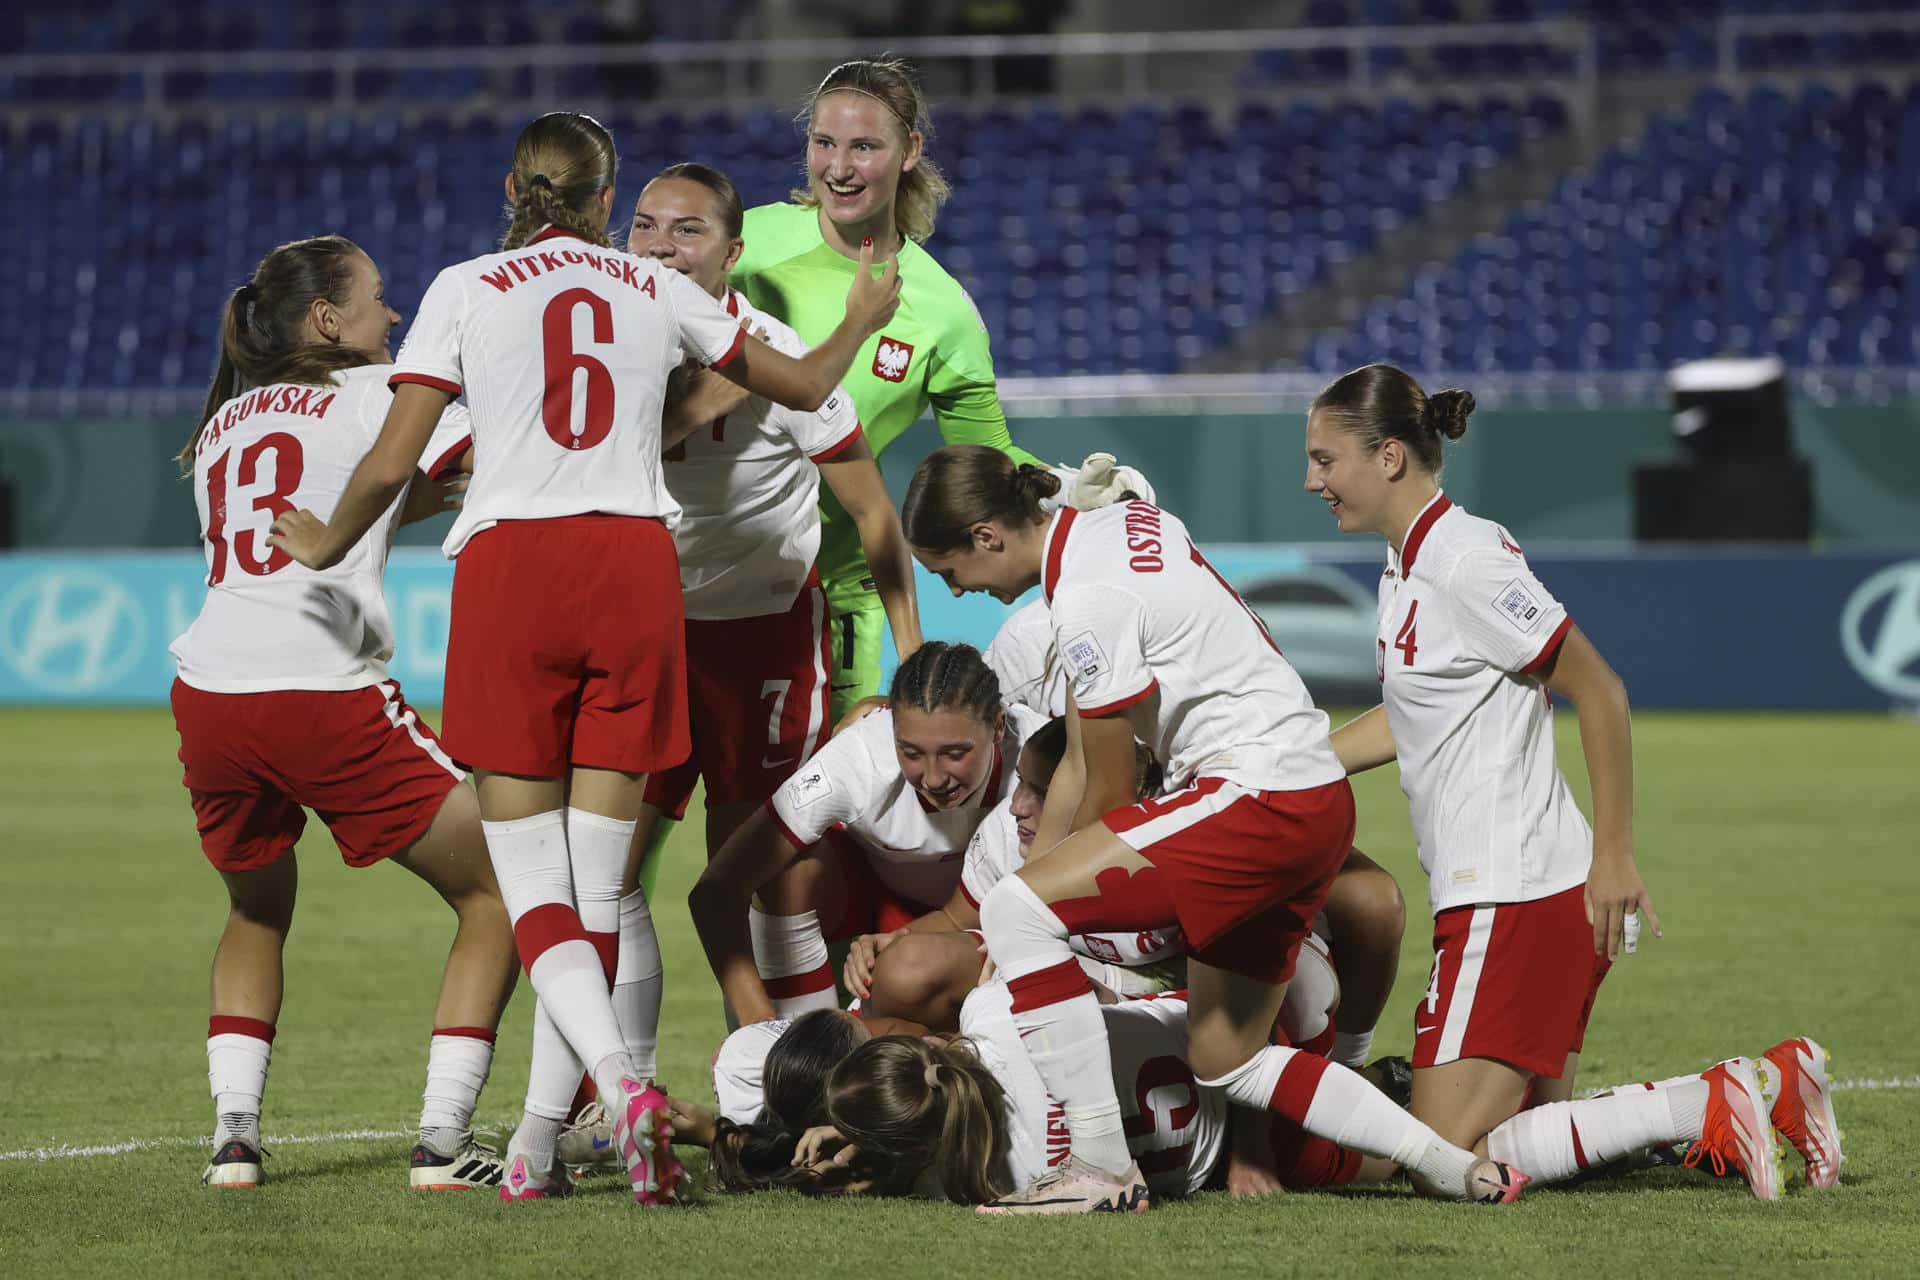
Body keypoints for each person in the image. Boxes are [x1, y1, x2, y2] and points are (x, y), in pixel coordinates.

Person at [266, 111, 901, 1206]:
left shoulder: (465, 286)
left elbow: (391, 460)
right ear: (609, 204)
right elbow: (802, 386)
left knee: (535, 883)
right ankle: (535, 1144)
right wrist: (859, 318)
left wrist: (325, 541)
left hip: (519, 574)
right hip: (637, 572)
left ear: (512, 184)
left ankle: (621, 1086)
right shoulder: (656, 289)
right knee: (603, 886)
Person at [900, 444, 1527, 1214]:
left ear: (987, 536)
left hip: (1253, 795)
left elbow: (1109, 784)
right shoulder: (1120, 515)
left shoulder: (1086, 605)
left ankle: (1098, 1166)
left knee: (1017, 911)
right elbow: (1100, 482)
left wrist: (1061, 915)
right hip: (1313, 794)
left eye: (948, 570)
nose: (955, 589)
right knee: (1226, 1057)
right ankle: (1444, 1164)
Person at [1305, 363, 1841, 1199]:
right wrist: (1294, 761)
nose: (1313, 480)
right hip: (1512, 887)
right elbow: (1415, 716)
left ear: (1389, 458)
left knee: (1443, 1158)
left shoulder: (1462, 560)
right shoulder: (1406, 563)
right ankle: (1771, 1088)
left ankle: (1712, 1099)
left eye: (1325, 459)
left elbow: (1599, 688)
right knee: (1518, 1144)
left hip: (1512, 892)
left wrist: (1616, 856)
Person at [170, 234, 518, 1192]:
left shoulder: (225, 424)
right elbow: (506, 446)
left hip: (211, 697)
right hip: (319, 691)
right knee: (506, 890)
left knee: (256, 907)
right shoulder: (375, 393)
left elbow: (310, 510)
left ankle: (234, 1139)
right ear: (328, 319)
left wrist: (394, 507)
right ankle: (444, 1143)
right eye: (377, 294)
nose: (395, 313)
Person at [730, 57, 1043, 722]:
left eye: (865, 147)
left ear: (909, 152)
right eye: (824, 143)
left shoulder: (942, 313)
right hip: (702, 570)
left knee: (813, 805)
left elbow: (994, 467)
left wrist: (1082, 500)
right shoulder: (741, 244)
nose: (839, 168)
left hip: (837, 593)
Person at [688, 642, 1042, 1028]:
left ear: (999, 726)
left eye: (955, 754)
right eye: (911, 752)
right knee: (789, 874)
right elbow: (717, 890)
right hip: (872, 911)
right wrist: (761, 1026)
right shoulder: (859, 756)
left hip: (981, 924)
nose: (934, 778)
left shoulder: (1045, 760)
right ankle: (800, 1041)